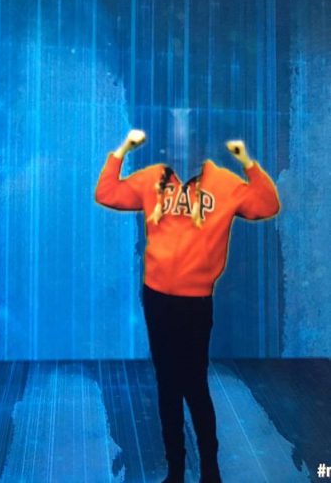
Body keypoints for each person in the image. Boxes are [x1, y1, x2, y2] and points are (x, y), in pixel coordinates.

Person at [94, 129, 280, 483]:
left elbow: (268, 204)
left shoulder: (224, 184)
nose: (181, 151)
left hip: (195, 302)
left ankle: (210, 469)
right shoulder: (153, 178)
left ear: (202, 148)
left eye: (189, 142)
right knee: (167, 385)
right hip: (158, 299)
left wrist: (247, 162)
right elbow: (106, 193)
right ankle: (175, 470)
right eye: (175, 144)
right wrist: (121, 150)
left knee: (194, 385)